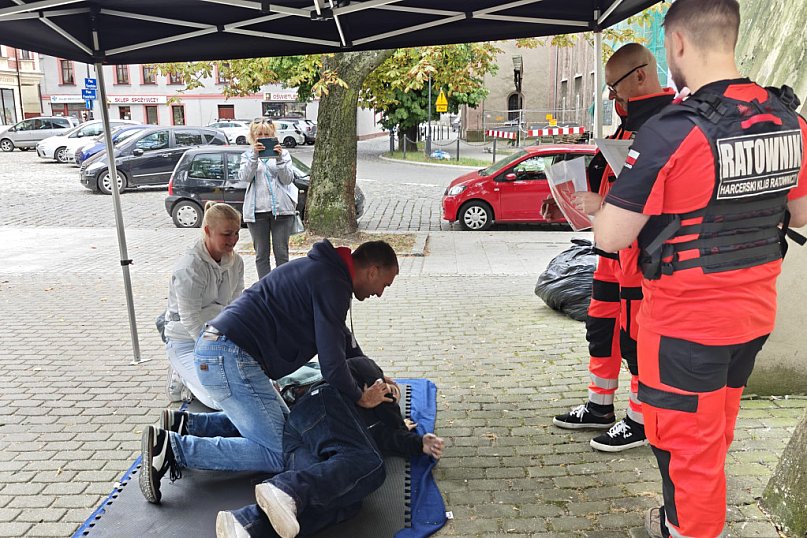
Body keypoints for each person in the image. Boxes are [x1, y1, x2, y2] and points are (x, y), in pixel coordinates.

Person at [592, 1, 807, 535]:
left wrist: (598, 207)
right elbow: (801, 214)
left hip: (685, 329)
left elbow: (611, 237)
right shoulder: (789, 120)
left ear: (679, 44)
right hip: (752, 319)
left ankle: (685, 528)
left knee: (688, 453)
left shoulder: (670, 132)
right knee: (713, 434)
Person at [139, 240, 400, 504]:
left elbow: (339, 338)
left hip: (223, 351)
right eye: (385, 285)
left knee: (286, 428)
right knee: (280, 451)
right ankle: (173, 449)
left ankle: (186, 425)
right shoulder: (333, 282)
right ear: (373, 270)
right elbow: (332, 364)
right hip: (230, 356)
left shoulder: (327, 273)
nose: (380, 293)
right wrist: (360, 396)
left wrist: (372, 374)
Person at [551, 44, 676, 453]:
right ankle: (600, 405)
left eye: (613, 87)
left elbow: (660, 196)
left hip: (644, 256)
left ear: (640, 75)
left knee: (637, 338)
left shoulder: (667, 124)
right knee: (602, 329)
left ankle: (640, 420)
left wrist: (605, 206)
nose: (610, 98)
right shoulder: (631, 122)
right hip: (611, 252)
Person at [214, 356, 445, 538]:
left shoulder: (375, 426)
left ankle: (245, 523)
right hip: (318, 405)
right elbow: (349, 367)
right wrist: (397, 420)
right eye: (391, 389)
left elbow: (386, 437)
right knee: (372, 465)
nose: (393, 394)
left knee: (345, 500)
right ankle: (285, 489)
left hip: (301, 441)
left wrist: (418, 443)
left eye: (395, 396)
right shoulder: (367, 372)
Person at [163, 202, 244, 409]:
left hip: (219, 335)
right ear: (207, 231)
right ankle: (181, 376)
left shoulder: (237, 262)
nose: (233, 240)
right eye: (227, 234)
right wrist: (212, 349)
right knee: (219, 399)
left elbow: (236, 306)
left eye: (236, 233)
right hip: (186, 340)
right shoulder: (189, 268)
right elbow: (190, 319)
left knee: (244, 387)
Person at [240, 118, 296, 279]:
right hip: (256, 212)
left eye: (267, 134)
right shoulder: (247, 155)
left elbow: (287, 179)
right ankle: (265, 290)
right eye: (259, 135)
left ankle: (283, 288)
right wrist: (254, 157)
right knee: (261, 255)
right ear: (253, 136)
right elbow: (245, 177)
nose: (263, 138)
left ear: (273, 136)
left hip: (282, 212)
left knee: (282, 254)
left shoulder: (283, 154)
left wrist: (279, 159)